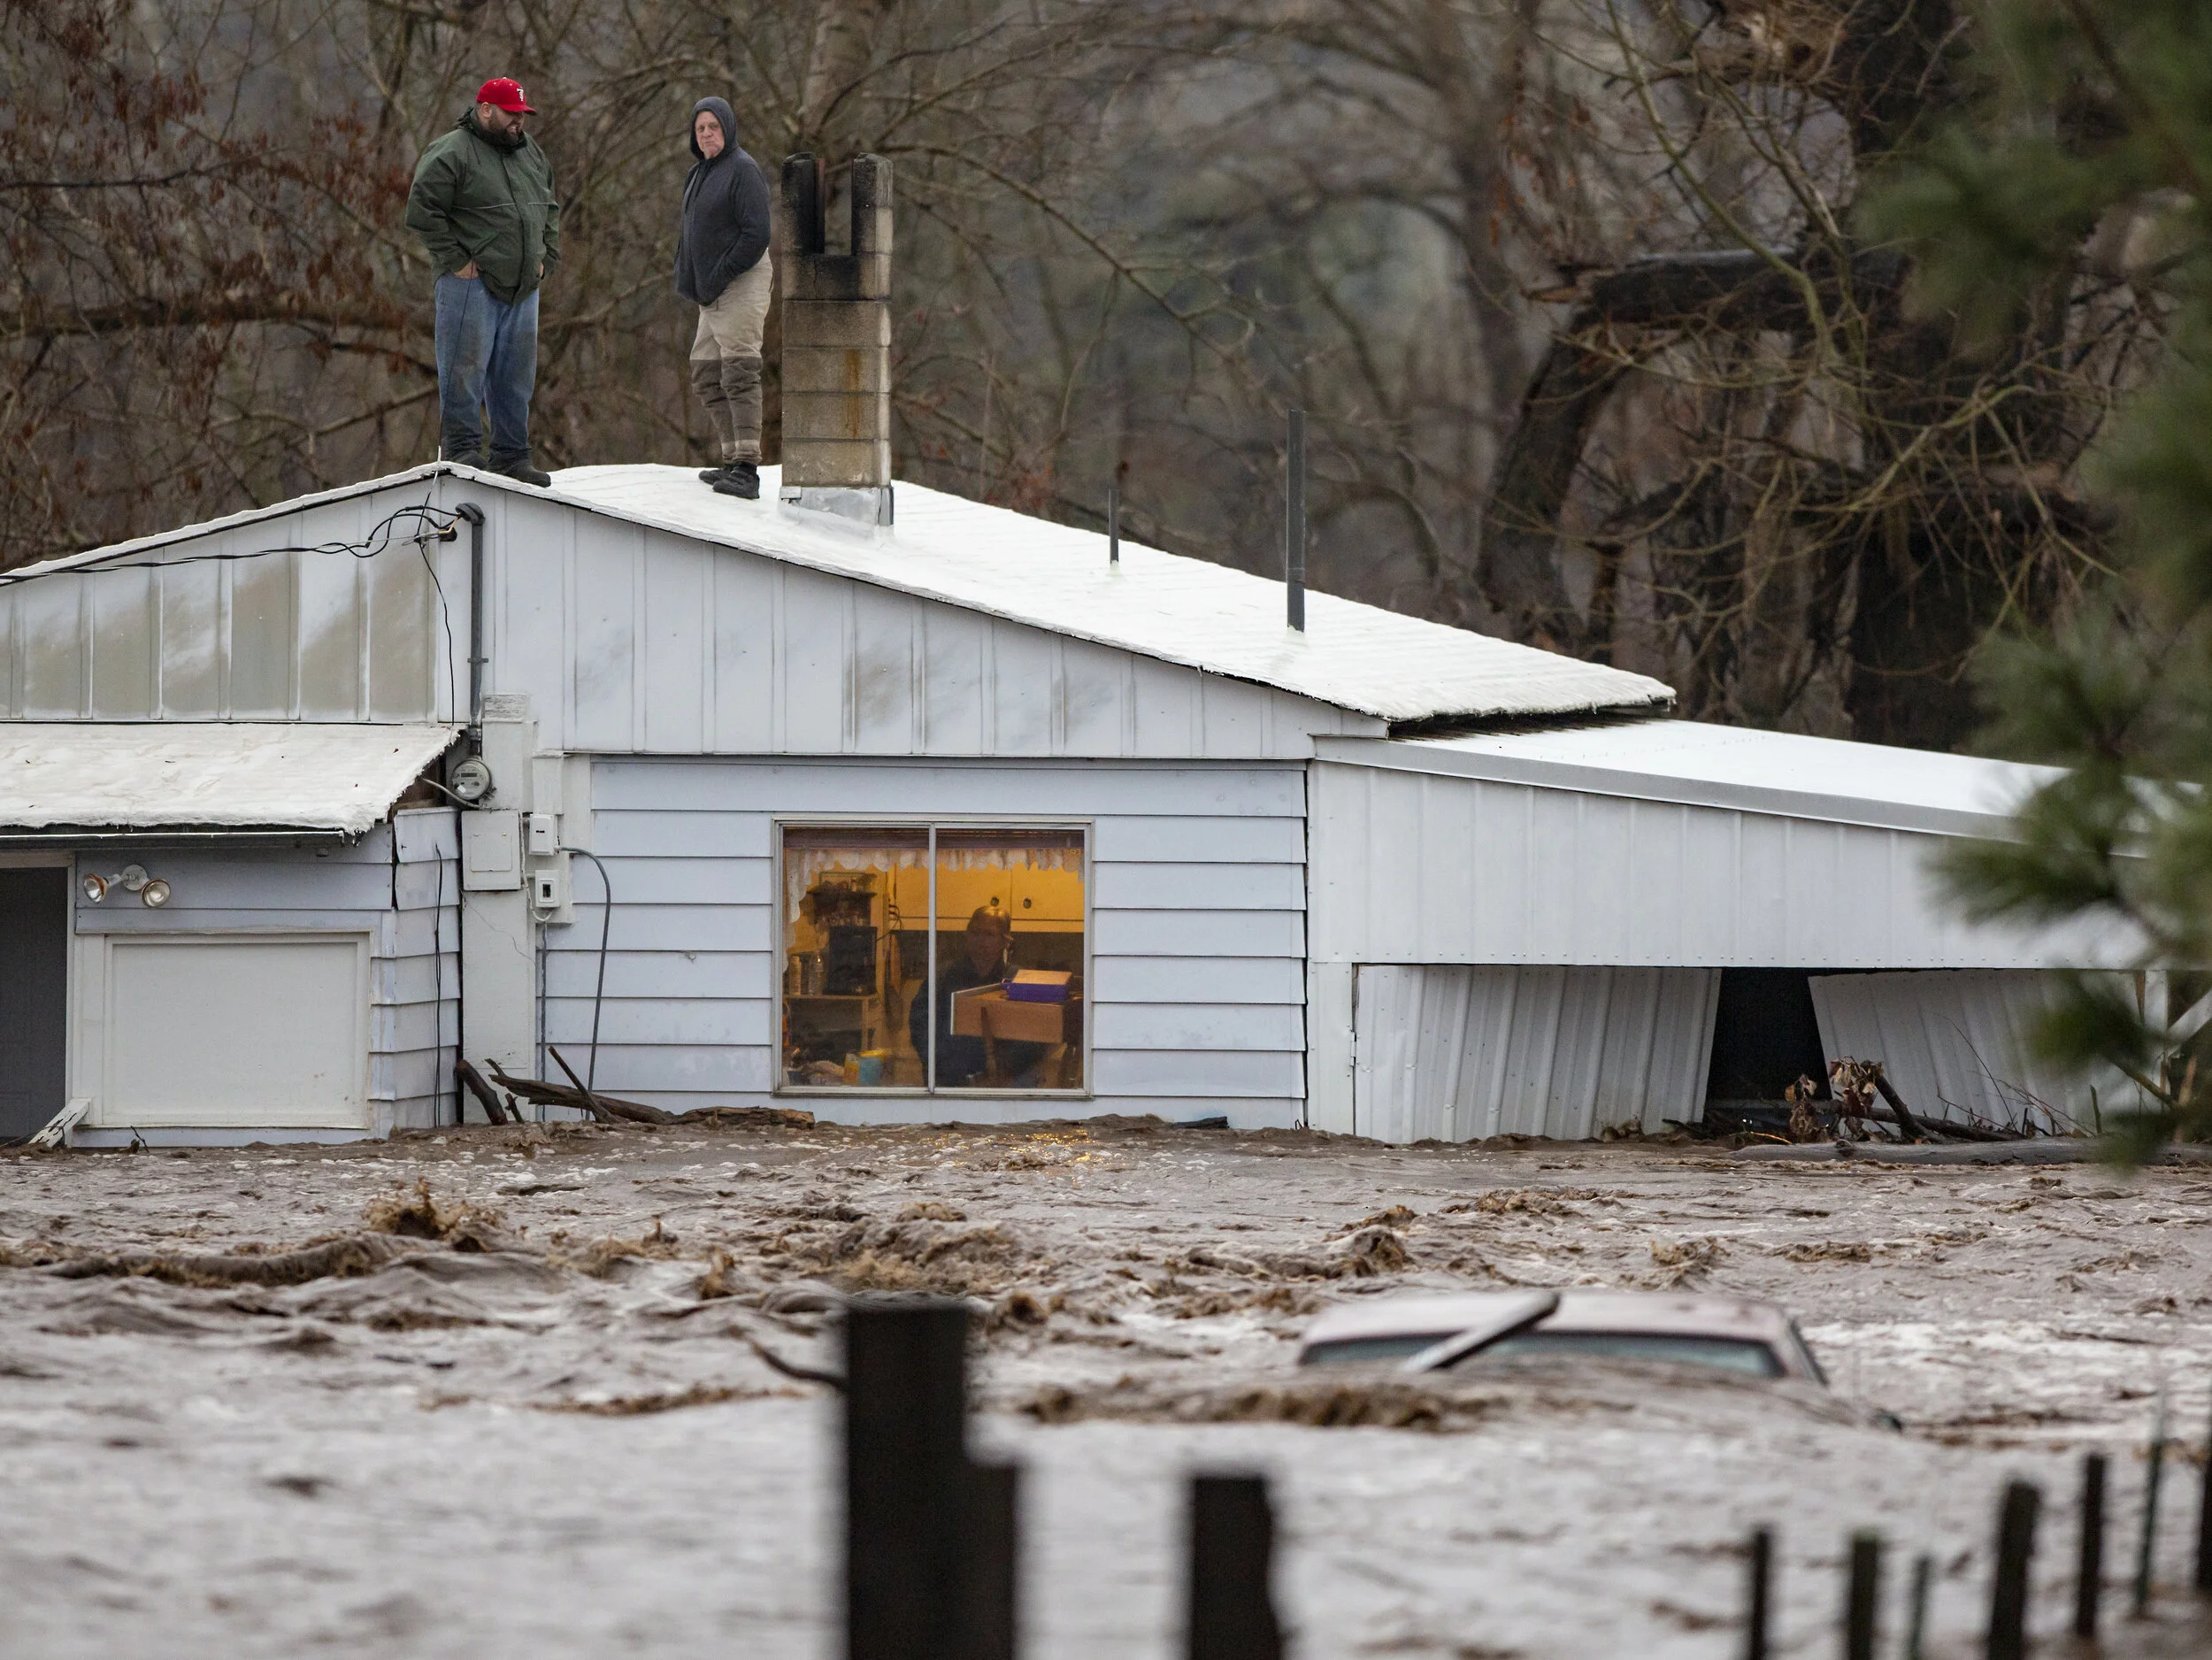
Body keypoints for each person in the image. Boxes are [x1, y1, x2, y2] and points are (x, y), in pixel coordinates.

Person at [404, 77, 562, 487]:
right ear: (486, 109)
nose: (518, 123)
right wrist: (455, 259)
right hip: (469, 284)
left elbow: (550, 206)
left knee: (516, 375)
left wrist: (548, 256)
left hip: (524, 285)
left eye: (522, 115)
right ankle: (461, 453)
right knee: (464, 369)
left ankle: (512, 455)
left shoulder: (530, 153)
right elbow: (421, 209)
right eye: (511, 114)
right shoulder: (452, 151)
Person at [675, 97, 773, 500]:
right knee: (705, 372)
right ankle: (732, 459)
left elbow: (757, 235)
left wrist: (719, 273)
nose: (707, 134)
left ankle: (747, 470)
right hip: (710, 290)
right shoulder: (698, 173)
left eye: (714, 126)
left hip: (740, 283)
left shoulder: (743, 171)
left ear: (728, 128)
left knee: (739, 369)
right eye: (700, 129)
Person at [910, 908, 1047, 1087]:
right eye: (975, 932)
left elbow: (1034, 1036)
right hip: (951, 1081)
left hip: (1005, 1082)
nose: (980, 940)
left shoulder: (1019, 980)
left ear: (1005, 941)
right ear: (967, 935)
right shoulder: (942, 976)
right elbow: (921, 1026)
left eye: (989, 934)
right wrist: (950, 1069)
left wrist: (1005, 1069)